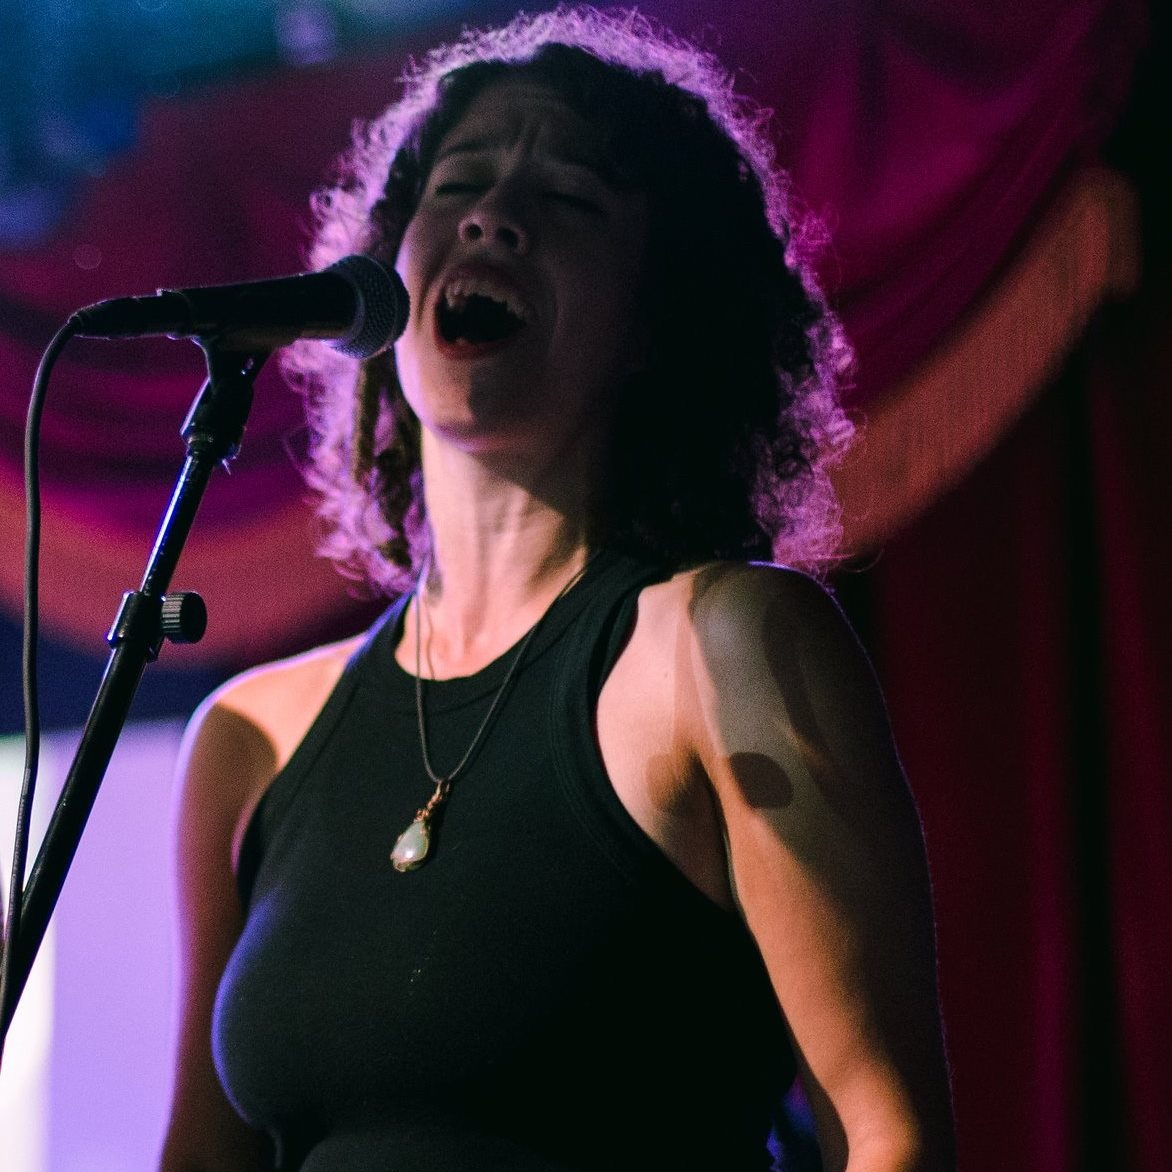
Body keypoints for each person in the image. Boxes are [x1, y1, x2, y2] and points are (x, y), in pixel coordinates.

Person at [159, 8, 954, 1171]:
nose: (492, 215)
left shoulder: (720, 647)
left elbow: (886, 1132)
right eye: (456, 186)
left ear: (654, 316)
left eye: (569, 197)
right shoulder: (249, 737)